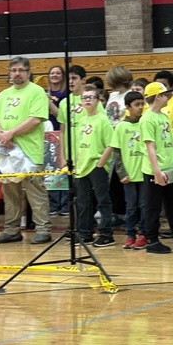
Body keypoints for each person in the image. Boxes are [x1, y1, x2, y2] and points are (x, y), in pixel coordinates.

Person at [0, 56, 52, 245]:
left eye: (20, 70)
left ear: (28, 72)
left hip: (29, 151)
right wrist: (2, 134)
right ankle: (11, 229)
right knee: (10, 191)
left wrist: (11, 133)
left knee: (35, 191)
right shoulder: (4, 95)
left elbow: (35, 119)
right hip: (7, 151)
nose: (16, 74)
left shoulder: (36, 92)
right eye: (13, 70)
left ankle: (43, 229)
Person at [140, 81, 173, 254]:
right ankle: (152, 241)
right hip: (155, 171)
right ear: (157, 97)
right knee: (153, 206)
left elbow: (172, 140)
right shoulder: (147, 119)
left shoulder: (163, 117)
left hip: (169, 169)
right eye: (165, 94)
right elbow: (150, 147)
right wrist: (156, 171)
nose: (168, 96)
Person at [63, 87, 115, 247]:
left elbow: (111, 144)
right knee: (83, 202)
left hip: (96, 166)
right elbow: (79, 145)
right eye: (85, 97)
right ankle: (85, 233)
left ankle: (106, 234)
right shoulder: (82, 121)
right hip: (82, 167)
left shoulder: (103, 120)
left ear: (97, 100)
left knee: (102, 201)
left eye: (91, 97)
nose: (87, 100)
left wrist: (101, 163)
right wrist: (77, 163)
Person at [101, 90, 147, 250]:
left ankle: (143, 234)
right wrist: (122, 173)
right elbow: (117, 153)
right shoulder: (121, 127)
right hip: (129, 176)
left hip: (145, 174)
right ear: (128, 107)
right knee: (131, 206)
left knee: (144, 205)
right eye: (137, 105)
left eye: (142, 104)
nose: (140, 108)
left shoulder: (145, 123)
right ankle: (130, 235)